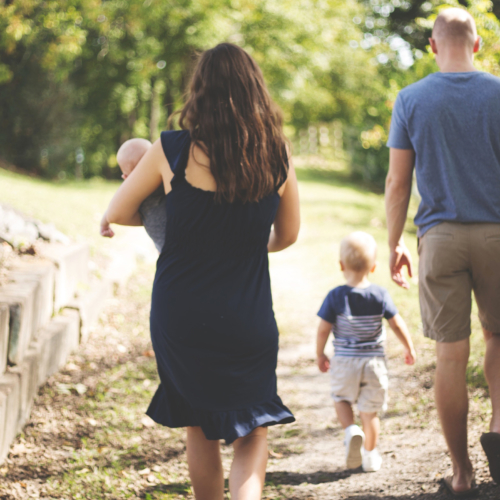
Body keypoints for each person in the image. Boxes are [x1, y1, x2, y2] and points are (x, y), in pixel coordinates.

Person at [100, 43, 300, 500]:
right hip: (247, 315)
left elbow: (119, 211)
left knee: (199, 427)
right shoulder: (277, 156)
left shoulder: (170, 149)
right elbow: (287, 236)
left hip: (181, 313)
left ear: (200, 92)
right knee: (252, 434)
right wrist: (247, 245)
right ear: (256, 93)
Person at [385, 7, 500, 496]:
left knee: (451, 358)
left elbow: (397, 181)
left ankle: (462, 474)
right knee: (499, 340)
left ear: (432, 46)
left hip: (440, 240)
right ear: (477, 44)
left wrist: (391, 245)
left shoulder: (411, 99)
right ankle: (498, 434)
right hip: (498, 234)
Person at [316, 231, 415, 472]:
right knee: (370, 412)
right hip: (374, 363)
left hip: (345, 362)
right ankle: (370, 456)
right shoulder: (380, 294)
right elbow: (396, 324)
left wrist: (320, 353)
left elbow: (323, 330)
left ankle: (351, 430)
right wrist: (408, 347)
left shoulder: (335, 296)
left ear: (341, 265)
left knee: (341, 398)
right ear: (373, 267)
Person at [100, 138, 167, 253]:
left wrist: (104, 223)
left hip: (170, 258)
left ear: (126, 178)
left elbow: (115, 207)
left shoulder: (135, 201)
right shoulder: (166, 182)